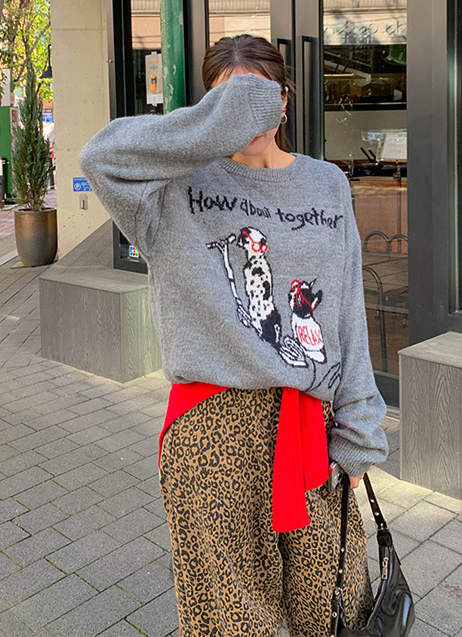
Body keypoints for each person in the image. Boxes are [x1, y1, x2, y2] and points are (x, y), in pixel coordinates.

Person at [79, 34, 388, 636]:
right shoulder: (169, 192)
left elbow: (347, 311)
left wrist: (361, 429)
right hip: (211, 432)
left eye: (260, 97)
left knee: (333, 608)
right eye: (227, 101)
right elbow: (100, 157)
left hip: (309, 429)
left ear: (284, 101)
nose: (246, 115)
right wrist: (209, 128)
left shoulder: (326, 184)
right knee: (234, 621)